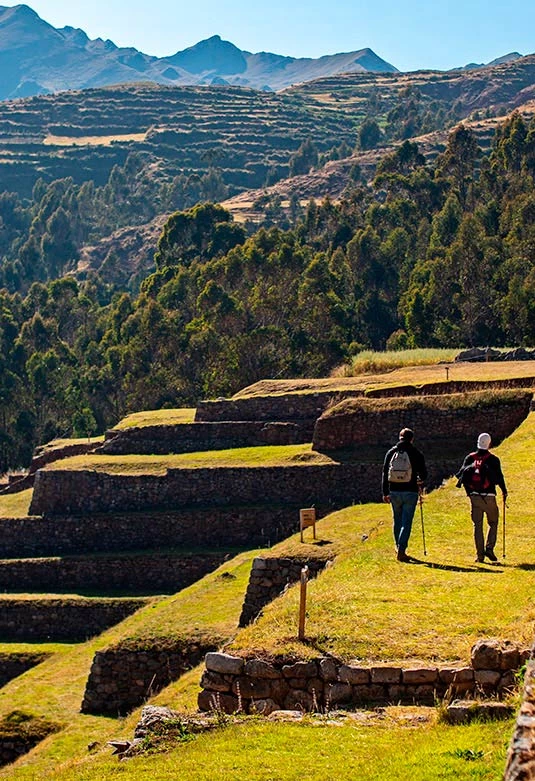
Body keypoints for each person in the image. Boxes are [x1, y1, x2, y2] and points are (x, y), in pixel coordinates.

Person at [456, 432, 507, 563]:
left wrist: (469, 493)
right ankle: (489, 547)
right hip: (489, 496)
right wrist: (504, 492)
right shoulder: (493, 459)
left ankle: (480, 556)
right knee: (493, 522)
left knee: (477, 526)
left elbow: (461, 476)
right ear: (489, 443)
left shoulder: (470, 458)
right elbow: (499, 478)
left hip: (474, 496)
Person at [382, 428, 427, 562]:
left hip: (394, 491)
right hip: (410, 491)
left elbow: (385, 473)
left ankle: (398, 546)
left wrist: (385, 492)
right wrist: (419, 479)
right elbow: (423, 474)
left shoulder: (391, 452)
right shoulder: (416, 453)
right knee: (406, 522)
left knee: (397, 519)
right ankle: (402, 550)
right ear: (411, 439)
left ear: (399, 437)